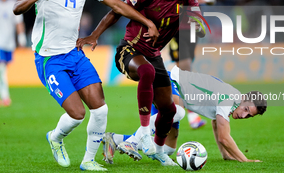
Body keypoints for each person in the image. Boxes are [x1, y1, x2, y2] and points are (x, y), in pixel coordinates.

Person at [13, 0, 159, 171]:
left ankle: (88, 161)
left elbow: (117, 5)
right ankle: (55, 137)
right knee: (77, 114)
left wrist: (146, 21)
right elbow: (17, 7)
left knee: (100, 109)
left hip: (75, 54)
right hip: (50, 59)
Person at [77, 0, 205, 166]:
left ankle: (159, 151)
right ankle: (144, 132)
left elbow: (200, 24)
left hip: (154, 55)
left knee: (170, 110)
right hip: (129, 50)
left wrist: (196, 23)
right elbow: (117, 11)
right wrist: (94, 35)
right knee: (147, 71)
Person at [105, 65, 267, 162]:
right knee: (177, 112)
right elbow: (224, 137)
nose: (244, 115)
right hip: (168, 81)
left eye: (249, 116)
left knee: (167, 148)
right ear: (244, 98)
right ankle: (132, 141)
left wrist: (226, 155)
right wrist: (244, 160)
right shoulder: (230, 98)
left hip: (173, 90)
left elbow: (216, 123)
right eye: (246, 109)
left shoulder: (233, 101)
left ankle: (114, 139)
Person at [155, 0, 216, 129]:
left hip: (192, 27)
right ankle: (191, 113)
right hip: (173, 27)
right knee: (186, 67)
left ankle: (165, 85)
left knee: (183, 70)